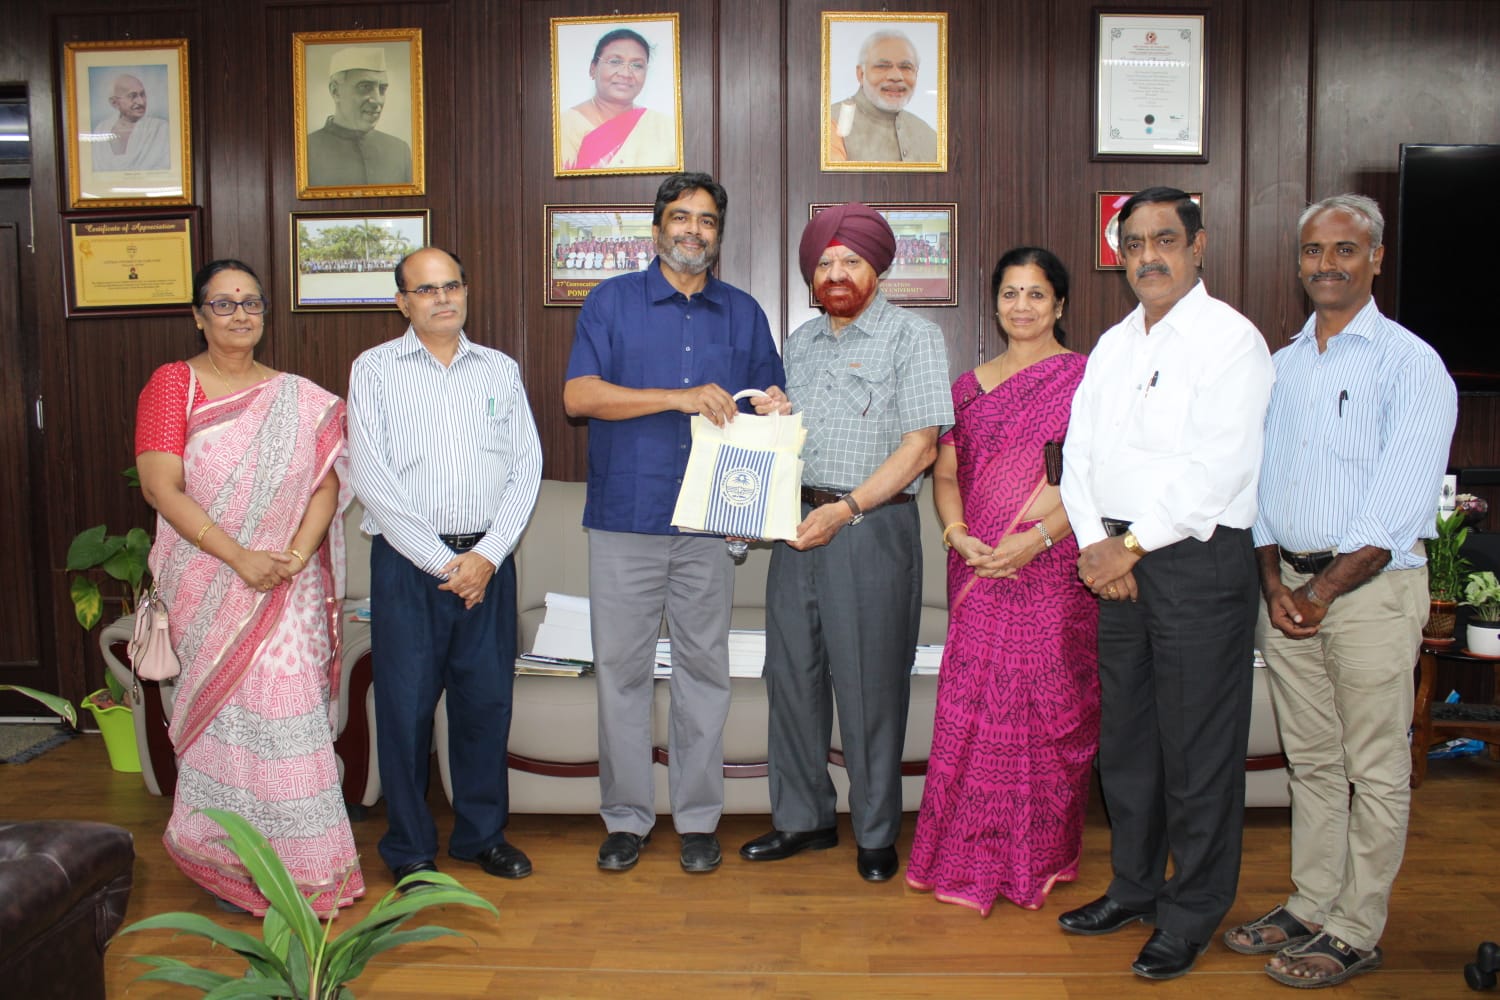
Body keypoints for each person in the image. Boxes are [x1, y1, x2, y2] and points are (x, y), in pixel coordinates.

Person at [1224, 194, 1457, 988]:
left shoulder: (1410, 364)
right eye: (1315, 252)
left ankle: (1357, 927)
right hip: (1284, 586)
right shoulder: (1281, 366)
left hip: (1370, 595)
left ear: (1376, 258)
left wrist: (1319, 592)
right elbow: (1253, 484)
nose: (1328, 264)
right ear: (1300, 263)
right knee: (1314, 762)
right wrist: (1271, 579)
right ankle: (1311, 900)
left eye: (1345, 250)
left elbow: (1397, 508)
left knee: (1375, 766)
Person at [1057, 186, 1274, 980]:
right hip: (1113, 560)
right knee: (1130, 748)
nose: (1148, 255)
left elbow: (1218, 468)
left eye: (1164, 240)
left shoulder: (1231, 341)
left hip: (1193, 563)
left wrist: (1133, 547)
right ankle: (1135, 887)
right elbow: (1075, 457)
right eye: (1135, 242)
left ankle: (1193, 910)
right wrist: (1093, 544)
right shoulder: (1115, 343)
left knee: (1197, 752)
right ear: (1120, 253)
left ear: (1197, 245)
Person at [564, 172, 785, 874]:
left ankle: (696, 819)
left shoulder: (743, 313)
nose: (694, 229)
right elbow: (579, 396)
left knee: (702, 673)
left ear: (720, 234)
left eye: (708, 221)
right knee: (621, 675)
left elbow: (766, 402)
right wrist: (677, 398)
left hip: (709, 526)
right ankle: (626, 819)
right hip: (626, 516)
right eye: (681, 217)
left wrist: (775, 404)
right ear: (656, 227)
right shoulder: (611, 303)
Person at [136, 259, 363, 916]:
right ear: (199, 315)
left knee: (288, 723)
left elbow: (327, 485)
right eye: (224, 303)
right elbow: (159, 486)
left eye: (251, 303)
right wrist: (238, 557)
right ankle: (225, 856)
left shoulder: (299, 396)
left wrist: (292, 557)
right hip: (211, 584)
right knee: (225, 726)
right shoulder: (172, 386)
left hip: (280, 590)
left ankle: (305, 871)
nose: (240, 314)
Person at [740, 203, 953, 883]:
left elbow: (921, 447)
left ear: (877, 267)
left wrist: (849, 508)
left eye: (849, 261)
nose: (836, 273)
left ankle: (875, 832)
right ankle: (802, 821)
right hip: (796, 527)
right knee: (791, 677)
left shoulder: (913, 338)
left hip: (870, 527)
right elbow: (802, 434)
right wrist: (779, 417)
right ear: (811, 275)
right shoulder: (800, 342)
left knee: (869, 685)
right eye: (824, 263)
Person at [905, 247, 1098, 915]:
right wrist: (957, 534)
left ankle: (1036, 857)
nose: (1022, 306)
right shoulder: (967, 387)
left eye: (1037, 294)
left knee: (1045, 712)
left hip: (1051, 566)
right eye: (1011, 293)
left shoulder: (1086, 381)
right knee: (977, 712)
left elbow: (1092, 478)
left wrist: (1034, 539)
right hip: (978, 566)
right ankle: (967, 852)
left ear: (1060, 304)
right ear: (994, 302)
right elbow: (948, 473)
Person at [347, 247, 542, 887]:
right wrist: (443, 562)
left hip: (488, 560)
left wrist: (486, 556)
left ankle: (481, 837)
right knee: (403, 710)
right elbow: (372, 479)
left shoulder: (499, 370)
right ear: (402, 302)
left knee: (485, 705)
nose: (442, 298)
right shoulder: (373, 370)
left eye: (452, 285)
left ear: (466, 291)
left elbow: (526, 467)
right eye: (426, 290)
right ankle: (408, 850)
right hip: (409, 566)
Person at [559, 28, 676, 172]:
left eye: (637, 65)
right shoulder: (564, 127)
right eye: (615, 61)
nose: (626, 73)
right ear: (593, 69)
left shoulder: (666, 127)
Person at [827, 29, 938, 164]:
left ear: (916, 74)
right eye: (882, 66)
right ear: (861, 74)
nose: (896, 76)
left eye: (906, 67)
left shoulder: (930, 137)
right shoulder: (831, 123)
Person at [306, 47, 413, 187]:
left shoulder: (399, 151)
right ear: (335, 91)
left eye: (382, 89)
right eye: (365, 87)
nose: (377, 100)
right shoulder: (306, 151)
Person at [91, 73, 170, 172]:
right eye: (132, 96)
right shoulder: (100, 130)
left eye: (142, 94)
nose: (141, 102)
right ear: (114, 103)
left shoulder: (160, 129)